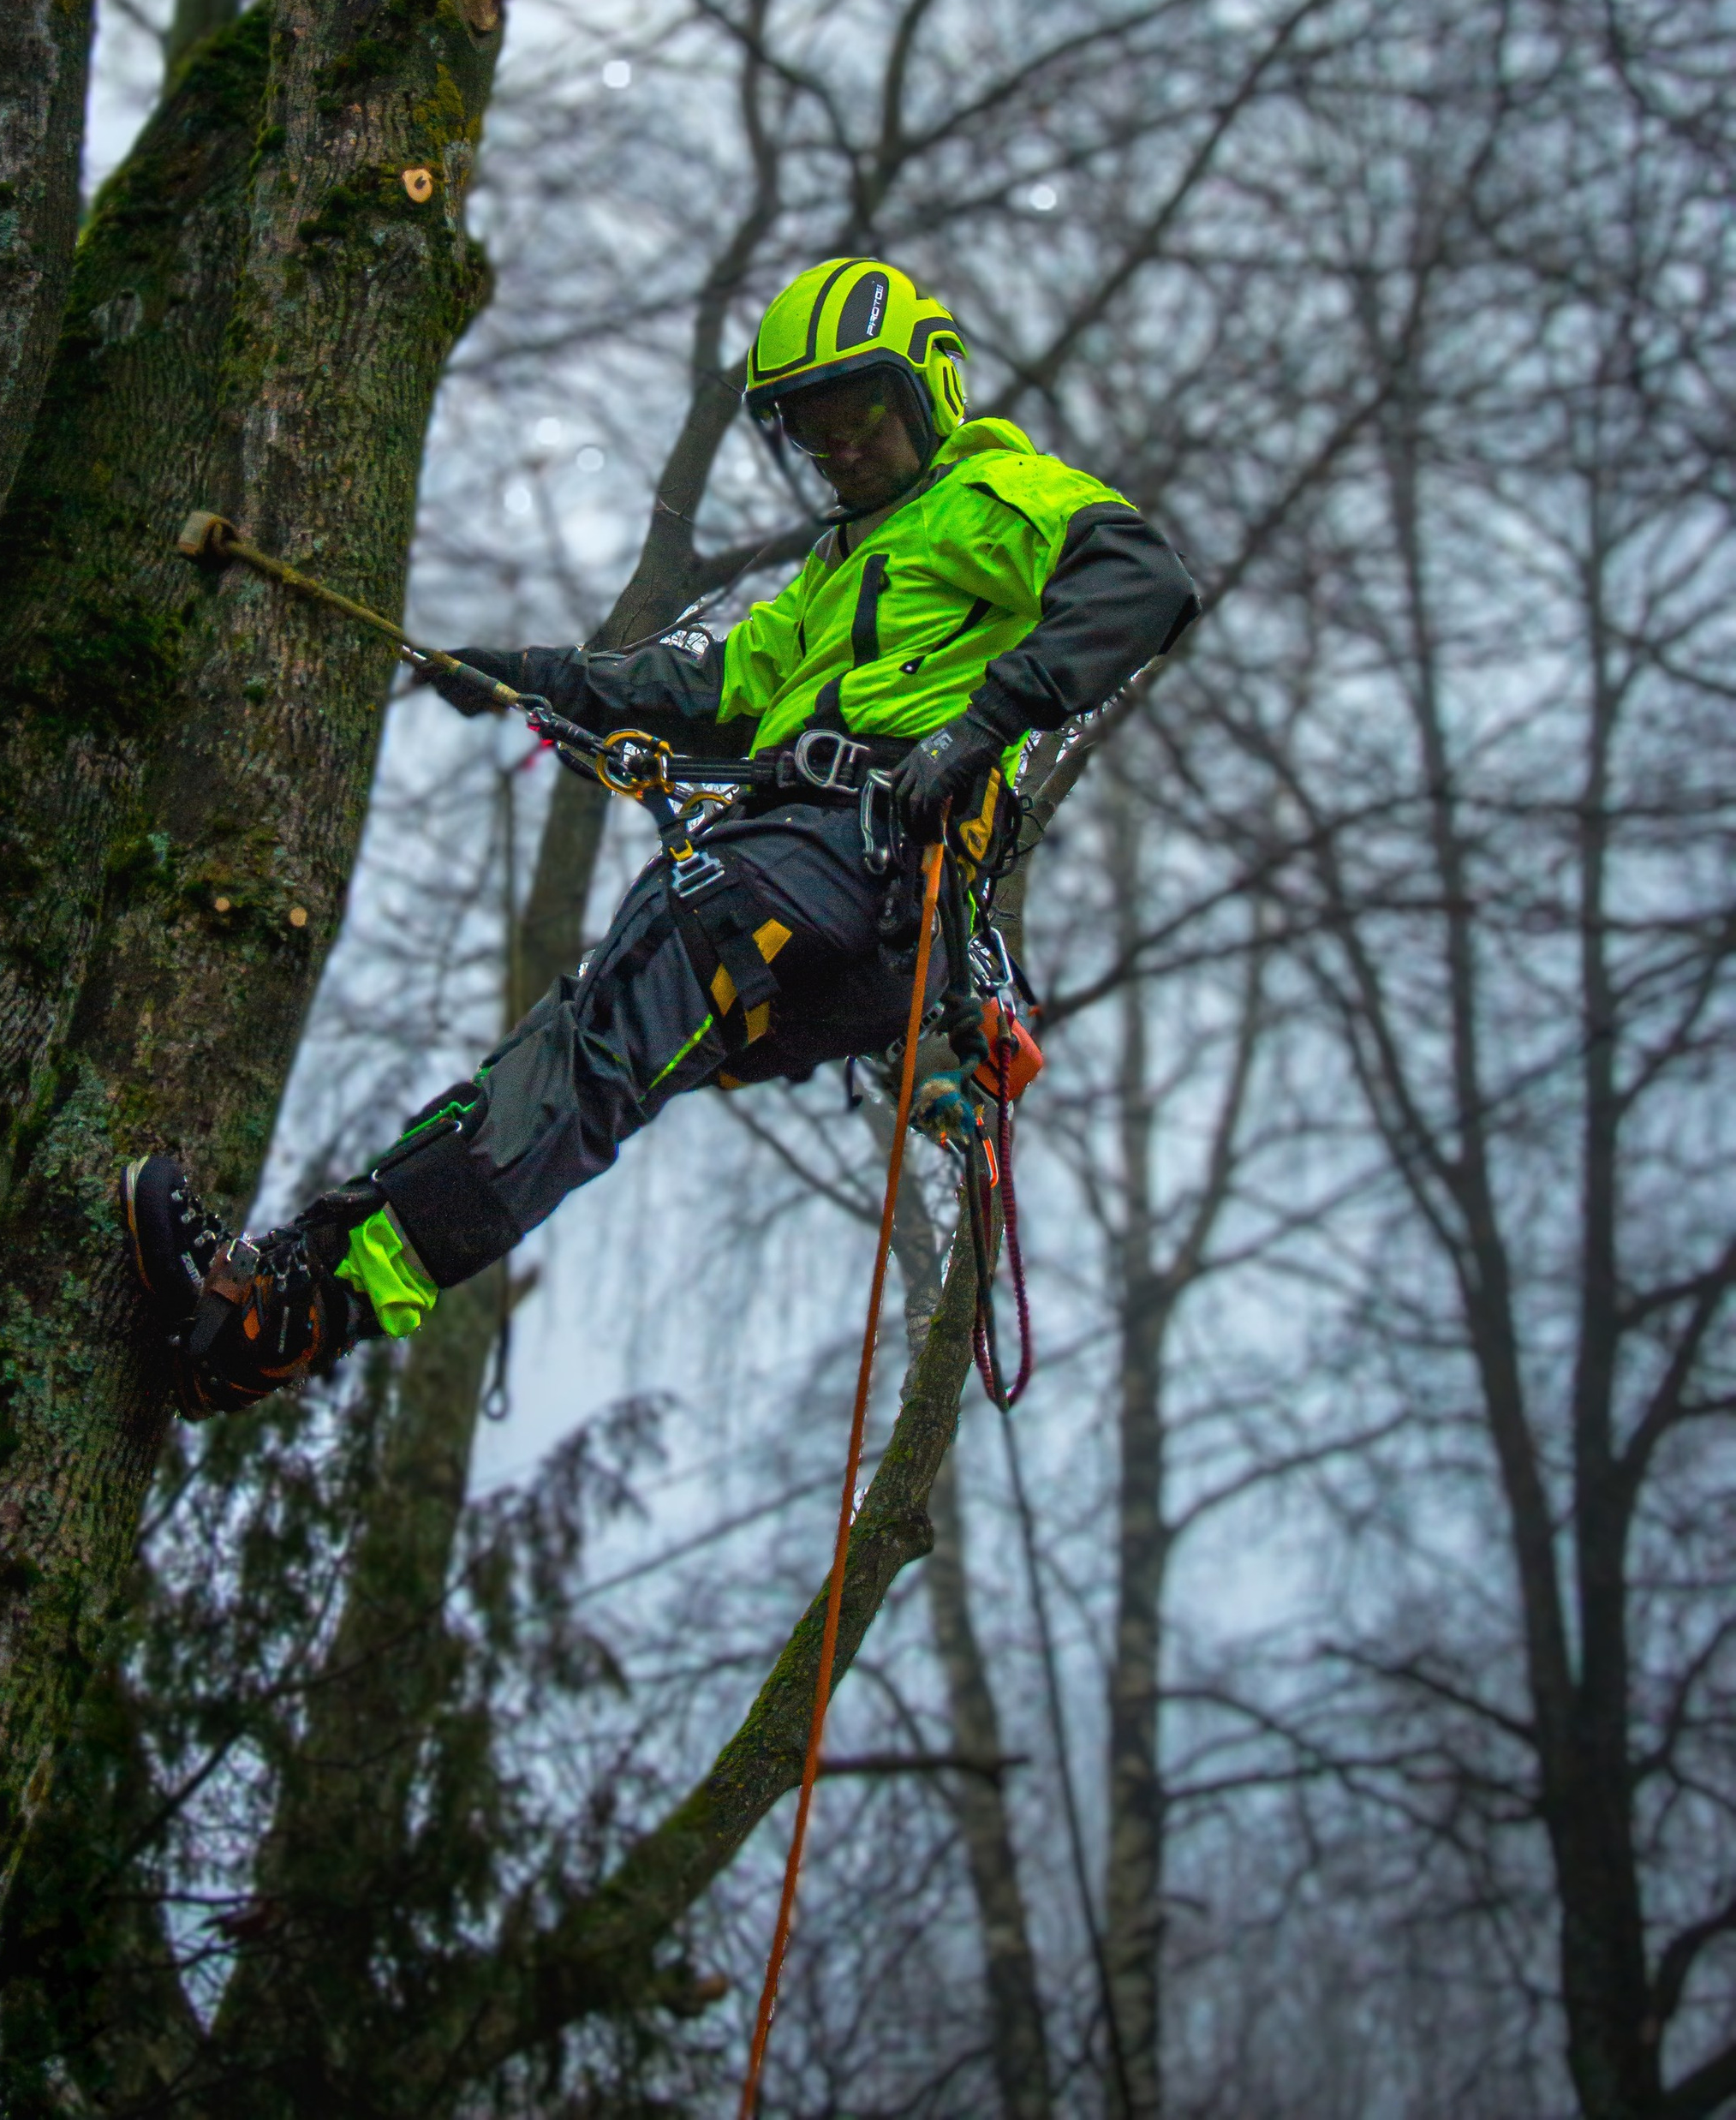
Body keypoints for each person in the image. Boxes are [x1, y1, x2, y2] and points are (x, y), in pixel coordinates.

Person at [122, 258, 1198, 1415]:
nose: (839, 449)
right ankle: (290, 1291)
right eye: (811, 430)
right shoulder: (842, 574)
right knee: (568, 1059)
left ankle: (289, 1312)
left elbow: (1139, 579)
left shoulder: (989, 495)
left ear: (927, 388)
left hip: (851, 867)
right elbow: (717, 684)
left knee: (590, 1048)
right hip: (824, 899)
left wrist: (983, 728)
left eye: (859, 416)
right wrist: (537, 678)